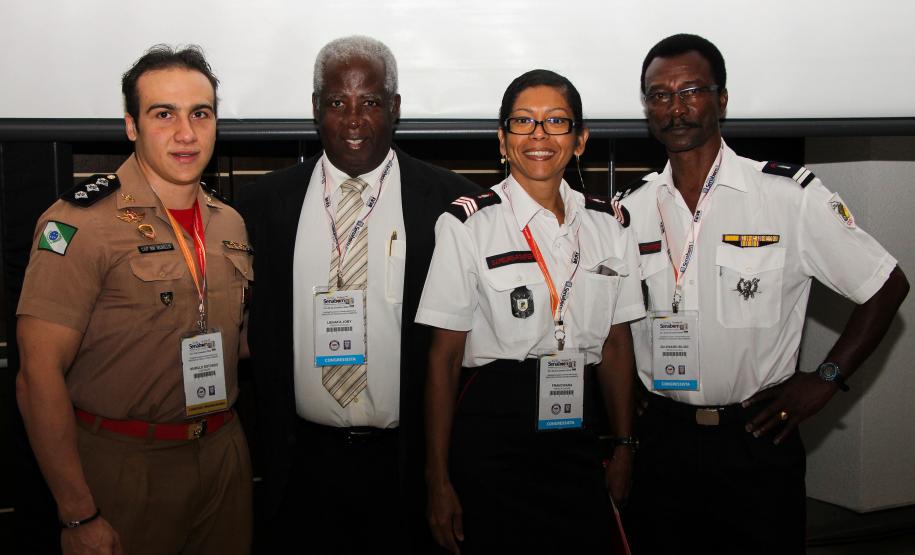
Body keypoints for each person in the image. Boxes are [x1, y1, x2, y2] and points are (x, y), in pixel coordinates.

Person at [619, 33, 910, 554]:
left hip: (754, 438)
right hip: (662, 440)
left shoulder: (785, 196)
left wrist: (825, 380)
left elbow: (885, 284)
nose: (676, 107)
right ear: (646, 107)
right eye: (659, 95)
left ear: (722, 99)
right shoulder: (631, 210)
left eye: (691, 91)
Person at [237, 35, 479, 554]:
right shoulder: (261, 206)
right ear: (315, 110)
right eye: (336, 103)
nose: (352, 119)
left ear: (393, 108)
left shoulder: (446, 204)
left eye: (369, 102)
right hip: (299, 465)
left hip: (405, 466)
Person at [15, 45, 253, 555]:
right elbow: (37, 375)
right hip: (125, 465)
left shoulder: (228, 222)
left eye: (200, 114)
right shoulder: (80, 223)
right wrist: (78, 514)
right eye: (163, 114)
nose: (186, 133)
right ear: (131, 126)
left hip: (222, 452)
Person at [417, 69, 645, 554]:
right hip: (492, 430)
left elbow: (617, 342)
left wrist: (624, 444)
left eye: (556, 122)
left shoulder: (611, 225)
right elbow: (442, 359)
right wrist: (437, 480)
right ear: (502, 139)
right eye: (523, 122)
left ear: (580, 140)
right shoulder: (467, 226)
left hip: (579, 428)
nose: (539, 136)